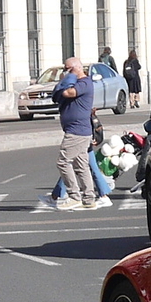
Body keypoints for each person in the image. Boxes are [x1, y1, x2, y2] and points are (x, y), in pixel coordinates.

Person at [46, 56, 105, 211]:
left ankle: (74, 196)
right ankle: (89, 198)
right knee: (81, 165)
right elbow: (57, 95)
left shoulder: (85, 83)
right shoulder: (76, 81)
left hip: (77, 131)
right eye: (64, 69)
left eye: (68, 68)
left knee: (63, 161)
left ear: (77, 67)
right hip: (78, 130)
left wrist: (68, 78)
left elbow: (68, 93)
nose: (66, 71)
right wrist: (66, 79)